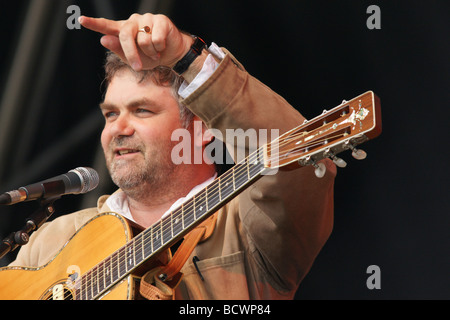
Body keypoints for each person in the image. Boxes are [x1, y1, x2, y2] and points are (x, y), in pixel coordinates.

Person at [9, 13, 336, 299]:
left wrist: (186, 56)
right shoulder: (53, 240)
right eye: (110, 114)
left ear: (202, 125)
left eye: (141, 110)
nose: (118, 128)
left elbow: (296, 157)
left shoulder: (246, 229)